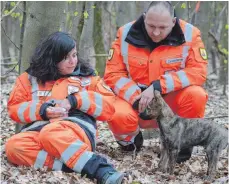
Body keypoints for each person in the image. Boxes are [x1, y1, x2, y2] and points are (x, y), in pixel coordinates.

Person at [5, 32, 124, 184]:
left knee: (50, 132)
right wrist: (43, 110)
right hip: (37, 131)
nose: (72, 61)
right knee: (14, 146)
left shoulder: (87, 78)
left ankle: (102, 169)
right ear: (52, 59)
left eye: (74, 55)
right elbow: (15, 109)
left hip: (76, 131)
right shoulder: (28, 79)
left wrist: (75, 101)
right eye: (65, 58)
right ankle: (74, 165)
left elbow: (109, 107)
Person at [104, 1, 208, 163]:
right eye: (151, 26)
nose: (156, 33)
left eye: (162, 28)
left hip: (171, 102)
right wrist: (136, 98)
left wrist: (157, 87)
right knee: (117, 114)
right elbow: (112, 74)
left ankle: (181, 147)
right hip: (137, 103)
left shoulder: (190, 34)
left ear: (173, 22)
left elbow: (198, 72)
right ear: (144, 18)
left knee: (197, 95)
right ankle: (130, 143)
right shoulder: (124, 33)